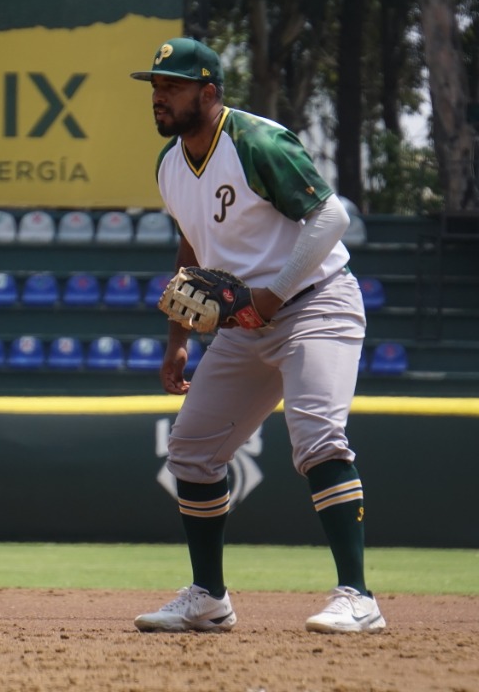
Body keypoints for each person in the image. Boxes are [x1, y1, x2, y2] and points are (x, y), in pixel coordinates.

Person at [130, 37, 383, 634]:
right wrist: (178, 337)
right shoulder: (170, 163)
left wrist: (272, 295)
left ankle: (358, 597)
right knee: (190, 450)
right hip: (246, 323)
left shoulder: (256, 141)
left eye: (172, 86)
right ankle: (209, 598)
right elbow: (191, 245)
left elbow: (332, 216)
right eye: (156, 87)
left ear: (209, 92)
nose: (159, 97)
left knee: (317, 438)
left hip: (316, 304)